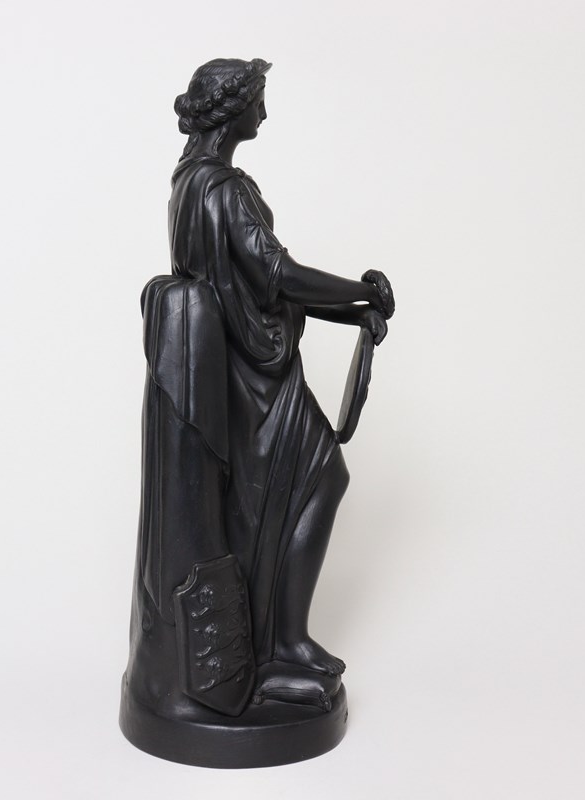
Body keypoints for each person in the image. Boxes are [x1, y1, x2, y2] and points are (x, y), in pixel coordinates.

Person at [165, 58, 394, 676]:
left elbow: (256, 287)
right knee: (321, 480)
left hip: (232, 372)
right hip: (259, 379)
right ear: (232, 106)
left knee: (263, 508)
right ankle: (285, 643)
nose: (264, 113)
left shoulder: (187, 185)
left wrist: (352, 312)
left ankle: (270, 646)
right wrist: (363, 289)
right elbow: (279, 275)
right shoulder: (224, 188)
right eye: (257, 100)